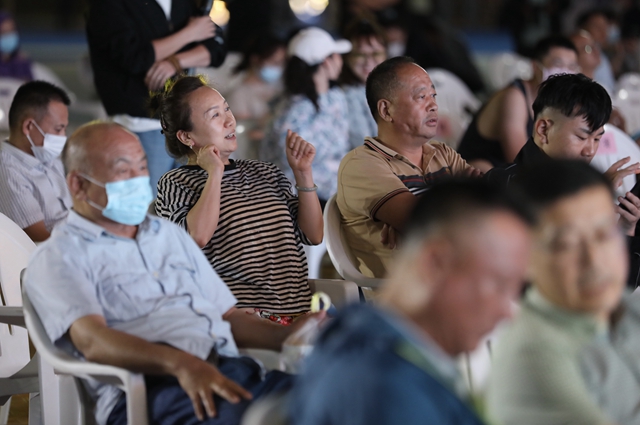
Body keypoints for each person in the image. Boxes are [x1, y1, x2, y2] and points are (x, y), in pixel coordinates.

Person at [24, 121, 323, 425]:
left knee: (341, 400)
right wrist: (181, 364)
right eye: (123, 170)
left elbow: (227, 317)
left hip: (233, 369)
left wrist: (288, 335)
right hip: (155, 389)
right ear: (78, 185)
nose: (139, 179)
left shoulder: (166, 235)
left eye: (142, 167)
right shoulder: (59, 256)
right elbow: (92, 340)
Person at [289, 178, 534, 425]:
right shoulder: (387, 391)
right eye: (499, 285)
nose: (508, 312)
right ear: (435, 263)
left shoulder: (369, 345)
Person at [154, 75, 323, 322]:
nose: (229, 121)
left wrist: (303, 173)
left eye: (227, 109)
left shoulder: (265, 171)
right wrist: (214, 173)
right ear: (187, 137)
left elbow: (314, 235)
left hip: (296, 312)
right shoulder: (175, 183)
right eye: (215, 115)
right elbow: (195, 239)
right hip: (241, 319)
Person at [486, 160, 640, 425]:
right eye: (566, 244)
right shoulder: (532, 362)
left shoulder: (623, 307)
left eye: (604, 235)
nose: (594, 261)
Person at [338, 56, 479, 278]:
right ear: (386, 110)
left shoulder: (442, 153)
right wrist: (420, 218)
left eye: (433, 95)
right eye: (421, 97)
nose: (433, 105)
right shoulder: (361, 165)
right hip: (406, 300)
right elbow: (425, 222)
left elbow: (490, 200)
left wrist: (422, 215)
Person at [86, 0, 227, 196]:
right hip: (139, 122)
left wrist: (175, 62)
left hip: (183, 122)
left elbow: (216, 49)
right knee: (148, 203)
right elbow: (134, 58)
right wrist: (190, 33)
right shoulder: (109, 5)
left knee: (184, 204)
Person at [457, 36, 579, 171]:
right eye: (558, 64)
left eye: (571, 67)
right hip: (480, 171)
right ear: (535, 66)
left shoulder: (558, 100)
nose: (565, 72)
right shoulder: (514, 96)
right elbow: (519, 159)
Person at [261, 27, 352, 205]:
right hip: (302, 197)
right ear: (326, 62)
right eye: (336, 55)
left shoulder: (335, 97)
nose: (341, 61)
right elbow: (291, 158)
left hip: (335, 191)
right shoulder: (296, 107)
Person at [0, 80, 71, 242]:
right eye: (58, 129)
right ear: (29, 127)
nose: (63, 137)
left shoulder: (48, 158)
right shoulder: (8, 173)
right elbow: (39, 239)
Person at [339, 16, 387, 150]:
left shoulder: (395, 90)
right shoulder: (340, 96)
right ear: (346, 57)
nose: (368, 62)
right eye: (360, 55)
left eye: (376, 53)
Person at [226, 35, 286, 125]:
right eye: (274, 62)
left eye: (282, 62)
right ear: (255, 59)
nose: (279, 68)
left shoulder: (279, 88)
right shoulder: (239, 94)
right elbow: (243, 130)